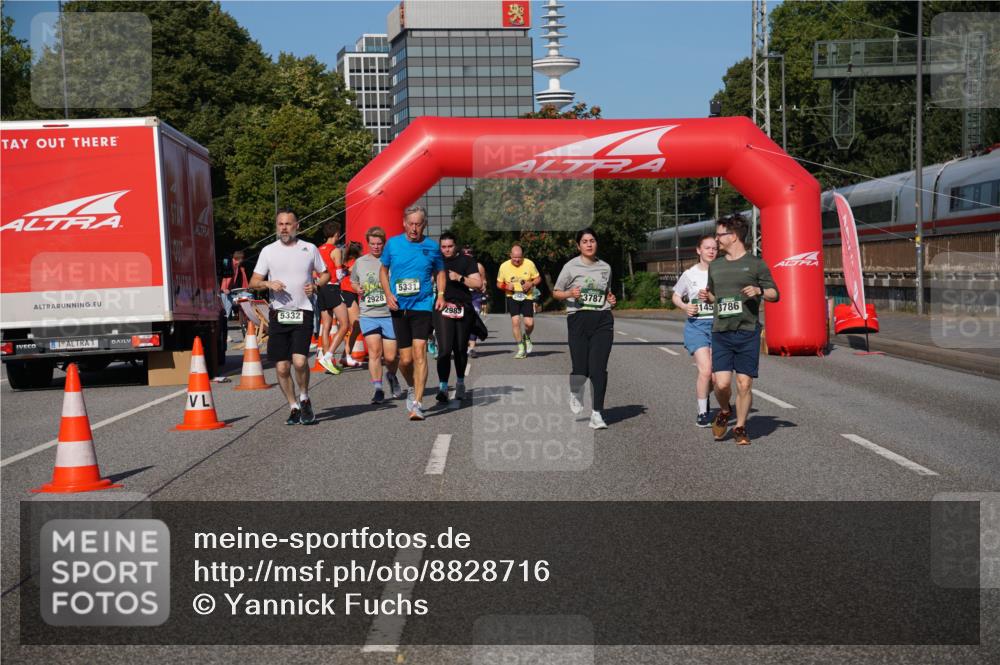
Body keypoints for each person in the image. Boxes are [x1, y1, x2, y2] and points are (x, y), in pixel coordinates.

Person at [698, 213, 780, 445]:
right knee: (722, 384)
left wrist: (759, 291)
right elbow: (714, 296)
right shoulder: (716, 266)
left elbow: (776, 293)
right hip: (721, 332)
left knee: (744, 383)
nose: (717, 239)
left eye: (720, 234)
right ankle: (725, 410)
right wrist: (708, 297)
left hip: (747, 332)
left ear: (733, 236)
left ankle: (741, 427)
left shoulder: (756, 264)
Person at [249, 209, 330, 425]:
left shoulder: (309, 248)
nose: (284, 228)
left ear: (297, 226)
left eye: (288, 224)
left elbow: (326, 274)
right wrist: (268, 283)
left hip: (303, 310)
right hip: (279, 313)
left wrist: (315, 285)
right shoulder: (268, 251)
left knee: (300, 360)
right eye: (280, 224)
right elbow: (253, 282)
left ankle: (304, 397)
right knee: (282, 367)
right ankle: (293, 406)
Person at [379, 206, 446, 421]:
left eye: (418, 224)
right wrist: (388, 293)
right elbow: (383, 270)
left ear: (424, 225)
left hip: (422, 305)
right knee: (405, 360)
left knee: (420, 351)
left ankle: (417, 403)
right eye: (411, 223)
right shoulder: (393, 244)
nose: (414, 228)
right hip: (399, 306)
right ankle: (410, 386)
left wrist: (441, 294)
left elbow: (440, 271)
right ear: (404, 223)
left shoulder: (431, 247)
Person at [553, 228, 617, 430]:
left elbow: (607, 292)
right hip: (578, 319)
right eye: (584, 241)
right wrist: (570, 293)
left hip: (603, 320)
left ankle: (597, 413)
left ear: (596, 243)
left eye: (592, 241)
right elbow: (556, 293)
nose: (589, 244)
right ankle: (575, 391)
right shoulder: (570, 267)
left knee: (598, 369)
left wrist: (611, 299)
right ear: (578, 245)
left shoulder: (605, 267)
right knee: (581, 368)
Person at [672, 235, 719, 428]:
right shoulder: (690, 274)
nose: (711, 251)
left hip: (718, 327)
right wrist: (685, 307)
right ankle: (702, 413)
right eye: (707, 248)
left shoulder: (722, 273)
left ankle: (704, 396)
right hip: (697, 326)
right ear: (698, 250)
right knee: (705, 370)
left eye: (714, 248)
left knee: (717, 377)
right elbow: (676, 296)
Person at [351, 227, 401, 403]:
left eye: (379, 244)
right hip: (368, 314)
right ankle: (378, 389)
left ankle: (392, 376)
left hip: (389, 314)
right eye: (372, 244)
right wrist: (358, 288)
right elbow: (353, 282)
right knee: (374, 352)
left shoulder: (392, 261)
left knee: (391, 356)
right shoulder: (361, 262)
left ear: (384, 243)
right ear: (368, 243)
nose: (376, 247)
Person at [433, 232, 483, 403]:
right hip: (442, 307)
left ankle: (460, 382)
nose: (446, 250)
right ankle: (443, 387)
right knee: (445, 350)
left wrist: (460, 278)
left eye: (450, 246)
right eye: (443, 247)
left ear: (456, 246)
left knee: (460, 349)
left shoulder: (467, 261)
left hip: (463, 308)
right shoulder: (435, 261)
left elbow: (478, 284)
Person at [315, 222, 350, 375]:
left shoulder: (317, 250)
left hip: (320, 288)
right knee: (345, 324)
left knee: (326, 326)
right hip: (332, 287)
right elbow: (339, 273)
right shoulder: (335, 250)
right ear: (336, 234)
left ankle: (328, 361)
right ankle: (328, 357)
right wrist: (346, 271)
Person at [497, 244, 541, 358]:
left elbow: (538, 278)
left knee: (529, 323)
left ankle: (526, 336)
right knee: (515, 321)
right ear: (510, 255)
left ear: (523, 256)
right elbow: (498, 283)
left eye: (519, 257)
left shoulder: (529, 263)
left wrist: (531, 283)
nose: (517, 260)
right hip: (512, 296)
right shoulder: (504, 266)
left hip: (527, 296)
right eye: (514, 257)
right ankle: (521, 348)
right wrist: (506, 286)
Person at [338, 241, 364, 368]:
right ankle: (344, 355)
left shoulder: (347, 260)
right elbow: (350, 270)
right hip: (348, 292)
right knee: (355, 325)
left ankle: (345, 355)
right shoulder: (355, 262)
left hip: (348, 293)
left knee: (352, 326)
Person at [464, 246, 488, 359]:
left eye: (470, 252)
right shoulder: (458, 265)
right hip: (461, 296)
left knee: (473, 320)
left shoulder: (478, 266)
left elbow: (484, 280)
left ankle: (472, 348)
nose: (468, 254)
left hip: (475, 297)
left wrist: (483, 287)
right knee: (462, 321)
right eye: (465, 252)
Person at [220, 250, 250, 319]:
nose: (242, 261)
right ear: (240, 259)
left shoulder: (237, 266)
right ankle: (223, 326)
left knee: (227, 310)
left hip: (230, 290)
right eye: (242, 259)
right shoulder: (228, 263)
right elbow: (224, 276)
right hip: (225, 291)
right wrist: (224, 288)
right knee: (226, 311)